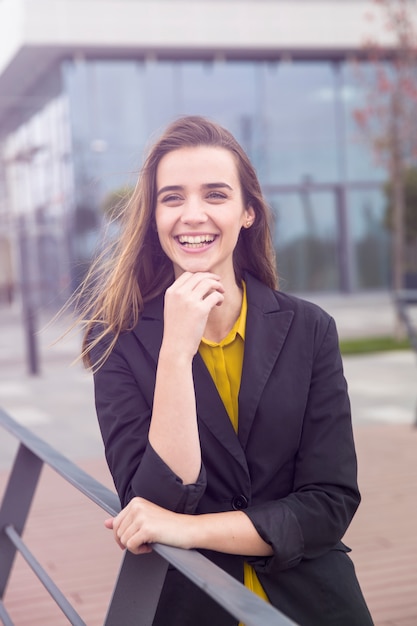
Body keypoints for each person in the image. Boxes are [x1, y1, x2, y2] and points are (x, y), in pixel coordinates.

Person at [78, 115, 373, 625]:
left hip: (313, 603)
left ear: (248, 213)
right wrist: (175, 350)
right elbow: (151, 501)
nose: (193, 214)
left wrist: (190, 530)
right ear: (152, 216)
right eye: (172, 198)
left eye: (215, 195)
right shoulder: (116, 343)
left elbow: (329, 503)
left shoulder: (311, 329)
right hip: (188, 604)